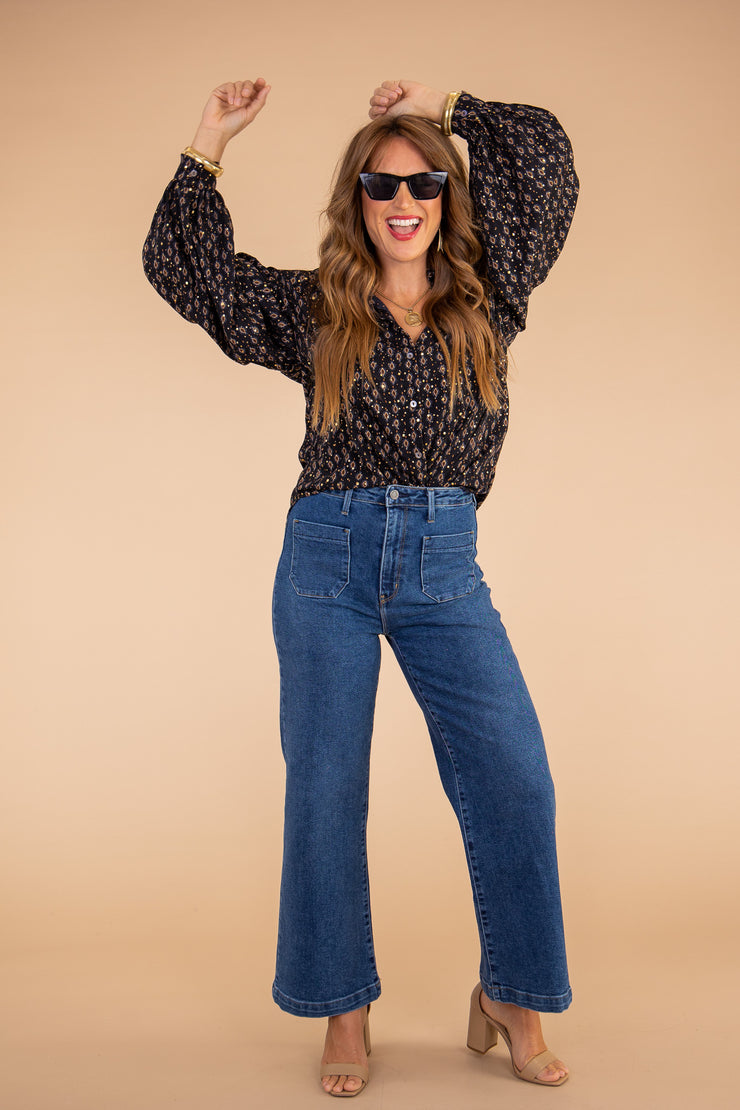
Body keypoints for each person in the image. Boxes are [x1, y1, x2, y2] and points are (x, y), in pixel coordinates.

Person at [143, 75, 579, 1097]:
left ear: (446, 197)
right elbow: (189, 271)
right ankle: (343, 1006)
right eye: (383, 184)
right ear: (358, 201)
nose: (405, 200)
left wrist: (450, 104)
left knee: (514, 776)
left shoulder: (491, 295)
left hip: (443, 564)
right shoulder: (317, 307)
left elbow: (547, 162)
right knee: (326, 788)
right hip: (326, 559)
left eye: (424, 182)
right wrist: (209, 139)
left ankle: (511, 995)